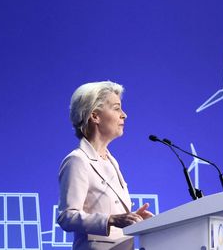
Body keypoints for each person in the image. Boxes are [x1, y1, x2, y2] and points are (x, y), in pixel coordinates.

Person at [58, 81, 153, 250]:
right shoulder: (78, 160)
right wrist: (111, 219)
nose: (124, 115)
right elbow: (67, 217)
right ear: (95, 116)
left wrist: (132, 219)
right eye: (116, 108)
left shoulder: (111, 160)